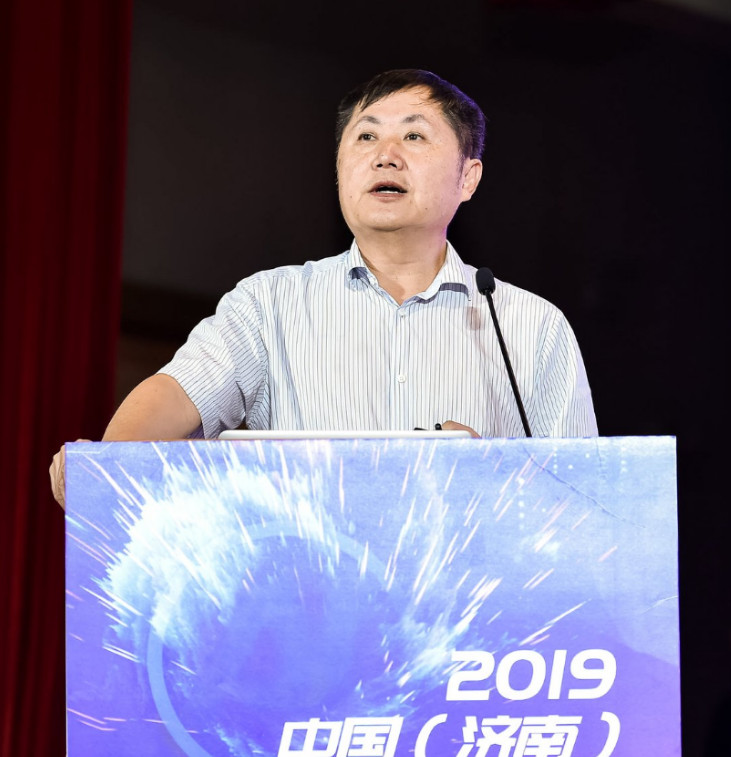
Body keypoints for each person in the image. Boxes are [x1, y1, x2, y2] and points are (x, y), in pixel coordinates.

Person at [50, 69, 597, 505]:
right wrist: (106, 468)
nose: (385, 154)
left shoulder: (530, 326)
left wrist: (490, 477)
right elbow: (174, 396)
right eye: (366, 136)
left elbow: (585, 504)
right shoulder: (268, 303)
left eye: (413, 135)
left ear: (468, 178)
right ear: (339, 169)